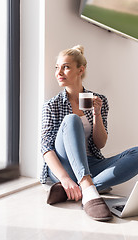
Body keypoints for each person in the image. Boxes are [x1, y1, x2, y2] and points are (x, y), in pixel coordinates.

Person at [40, 45, 138, 221]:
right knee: (72, 120)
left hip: (91, 163)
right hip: (64, 166)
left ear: (81, 69)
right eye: (57, 67)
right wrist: (64, 178)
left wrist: (97, 114)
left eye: (66, 67)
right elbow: (46, 148)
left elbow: (100, 144)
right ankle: (87, 187)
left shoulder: (99, 100)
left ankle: (76, 189)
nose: (59, 72)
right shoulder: (51, 105)